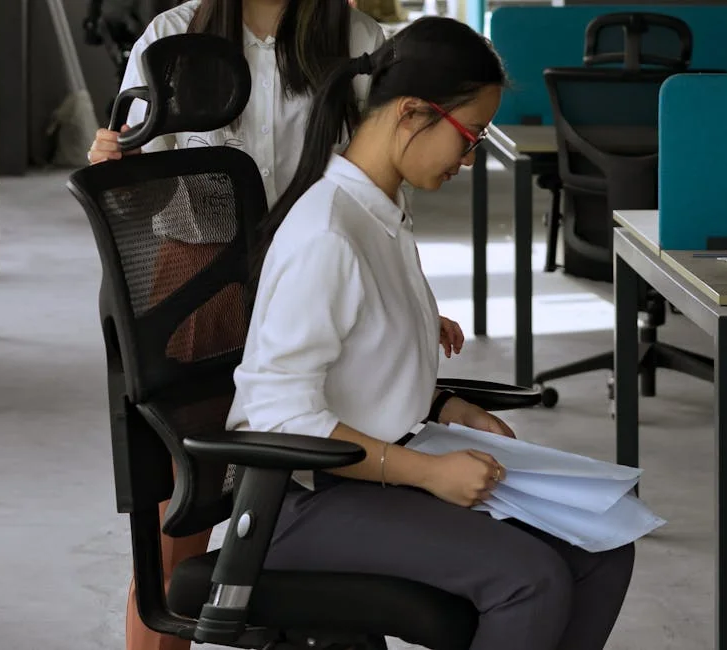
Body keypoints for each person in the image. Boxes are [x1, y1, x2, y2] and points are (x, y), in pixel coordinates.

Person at [227, 16, 636, 650]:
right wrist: (425, 472)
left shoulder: (381, 212)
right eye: (469, 137)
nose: (469, 159)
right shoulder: (328, 234)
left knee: (604, 548)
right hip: (297, 501)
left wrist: (447, 403)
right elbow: (277, 419)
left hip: (363, 474)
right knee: (528, 579)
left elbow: (360, 363)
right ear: (413, 114)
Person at [87, 4, 460, 650]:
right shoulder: (174, 38)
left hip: (315, 289)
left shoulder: (356, 40)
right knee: (182, 533)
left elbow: (381, 183)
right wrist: (111, 163)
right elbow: (137, 198)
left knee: (329, 508)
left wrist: (408, 294)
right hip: (196, 293)